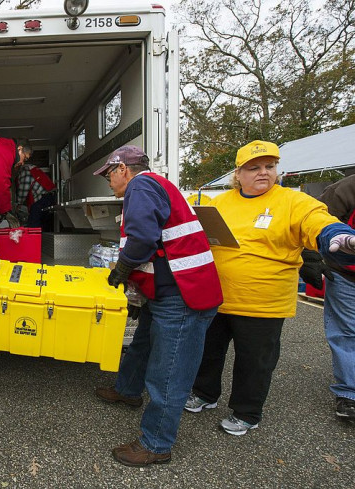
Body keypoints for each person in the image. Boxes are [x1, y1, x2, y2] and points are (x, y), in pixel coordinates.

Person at [184, 140, 355, 435]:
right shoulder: (220, 203)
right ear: (238, 174)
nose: (263, 172)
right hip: (217, 297)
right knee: (207, 352)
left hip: (263, 304)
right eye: (254, 168)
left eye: (269, 166)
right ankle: (204, 393)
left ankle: (246, 412)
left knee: (255, 362)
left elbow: (319, 221)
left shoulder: (293, 202)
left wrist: (337, 235)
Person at [92, 145, 223, 467]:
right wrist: (140, 293)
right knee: (142, 344)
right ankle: (127, 390)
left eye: (109, 174)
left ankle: (156, 443)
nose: (108, 181)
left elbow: (142, 239)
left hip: (182, 296)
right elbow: (161, 246)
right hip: (171, 290)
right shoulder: (157, 186)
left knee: (169, 373)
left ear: (123, 169)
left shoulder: (141, 185)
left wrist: (122, 270)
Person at [317, 175, 355, 419]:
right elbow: (317, 218)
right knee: (346, 332)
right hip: (347, 274)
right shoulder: (348, 187)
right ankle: (349, 393)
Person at [15, 162, 57, 230]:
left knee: (33, 227)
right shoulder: (32, 168)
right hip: (50, 197)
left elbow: (23, 190)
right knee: (45, 226)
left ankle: (35, 240)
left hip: (41, 199)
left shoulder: (25, 171)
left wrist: (18, 204)